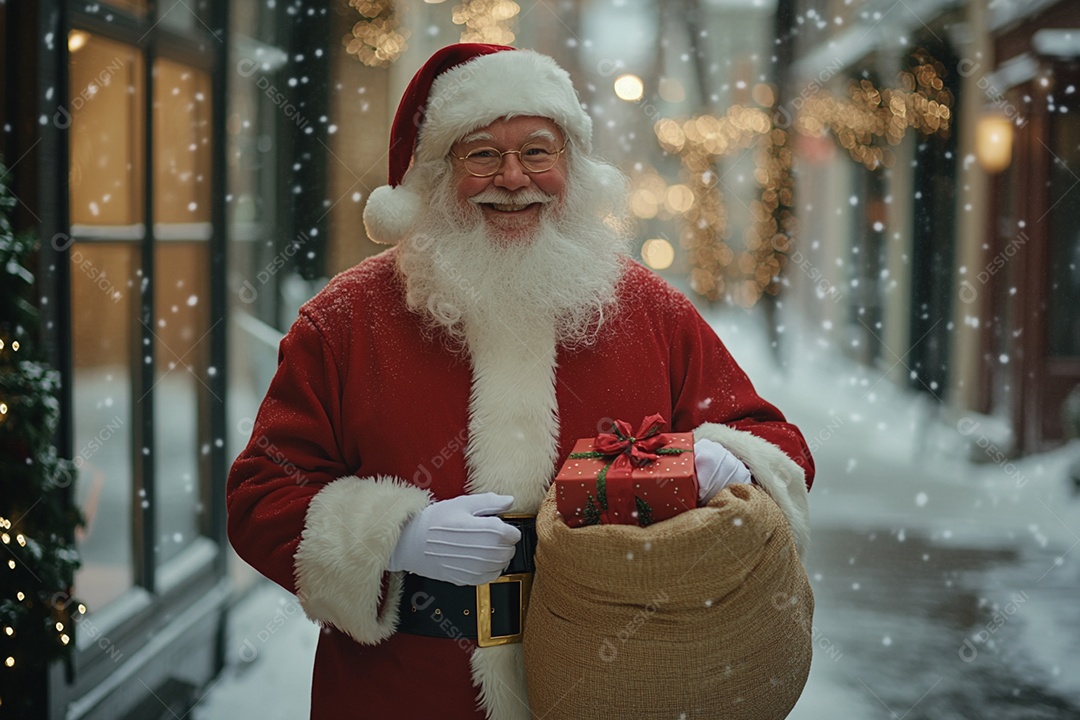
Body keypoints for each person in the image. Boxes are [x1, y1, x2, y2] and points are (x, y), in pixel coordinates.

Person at [227, 43, 814, 720]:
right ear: (436, 174)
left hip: (616, 689)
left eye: (539, 152)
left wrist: (726, 459)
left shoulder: (654, 312)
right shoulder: (344, 323)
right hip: (402, 693)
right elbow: (259, 497)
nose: (513, 177)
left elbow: (776, 441)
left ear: (572, 167)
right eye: (480, 154)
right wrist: (392, 537)